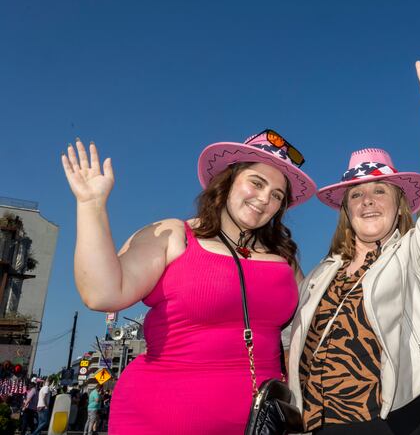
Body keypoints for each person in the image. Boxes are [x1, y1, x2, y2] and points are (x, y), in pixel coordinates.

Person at [60, 127, 316, 434]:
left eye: (277, 195)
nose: (265, 199)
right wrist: (91, 205)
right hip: (158, 418)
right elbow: (101, 294)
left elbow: (319, 320)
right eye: (256, 183)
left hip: (261, 424)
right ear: (229, 179)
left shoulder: (285, 259)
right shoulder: (174, 235)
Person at [288, 61, 420, 434]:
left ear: (399, 204)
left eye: (379, 191)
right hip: (319, 423)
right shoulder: (323, 272)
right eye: (357, 194)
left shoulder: (416, 256)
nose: (367, 201)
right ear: (346, 209)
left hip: (399, 419)